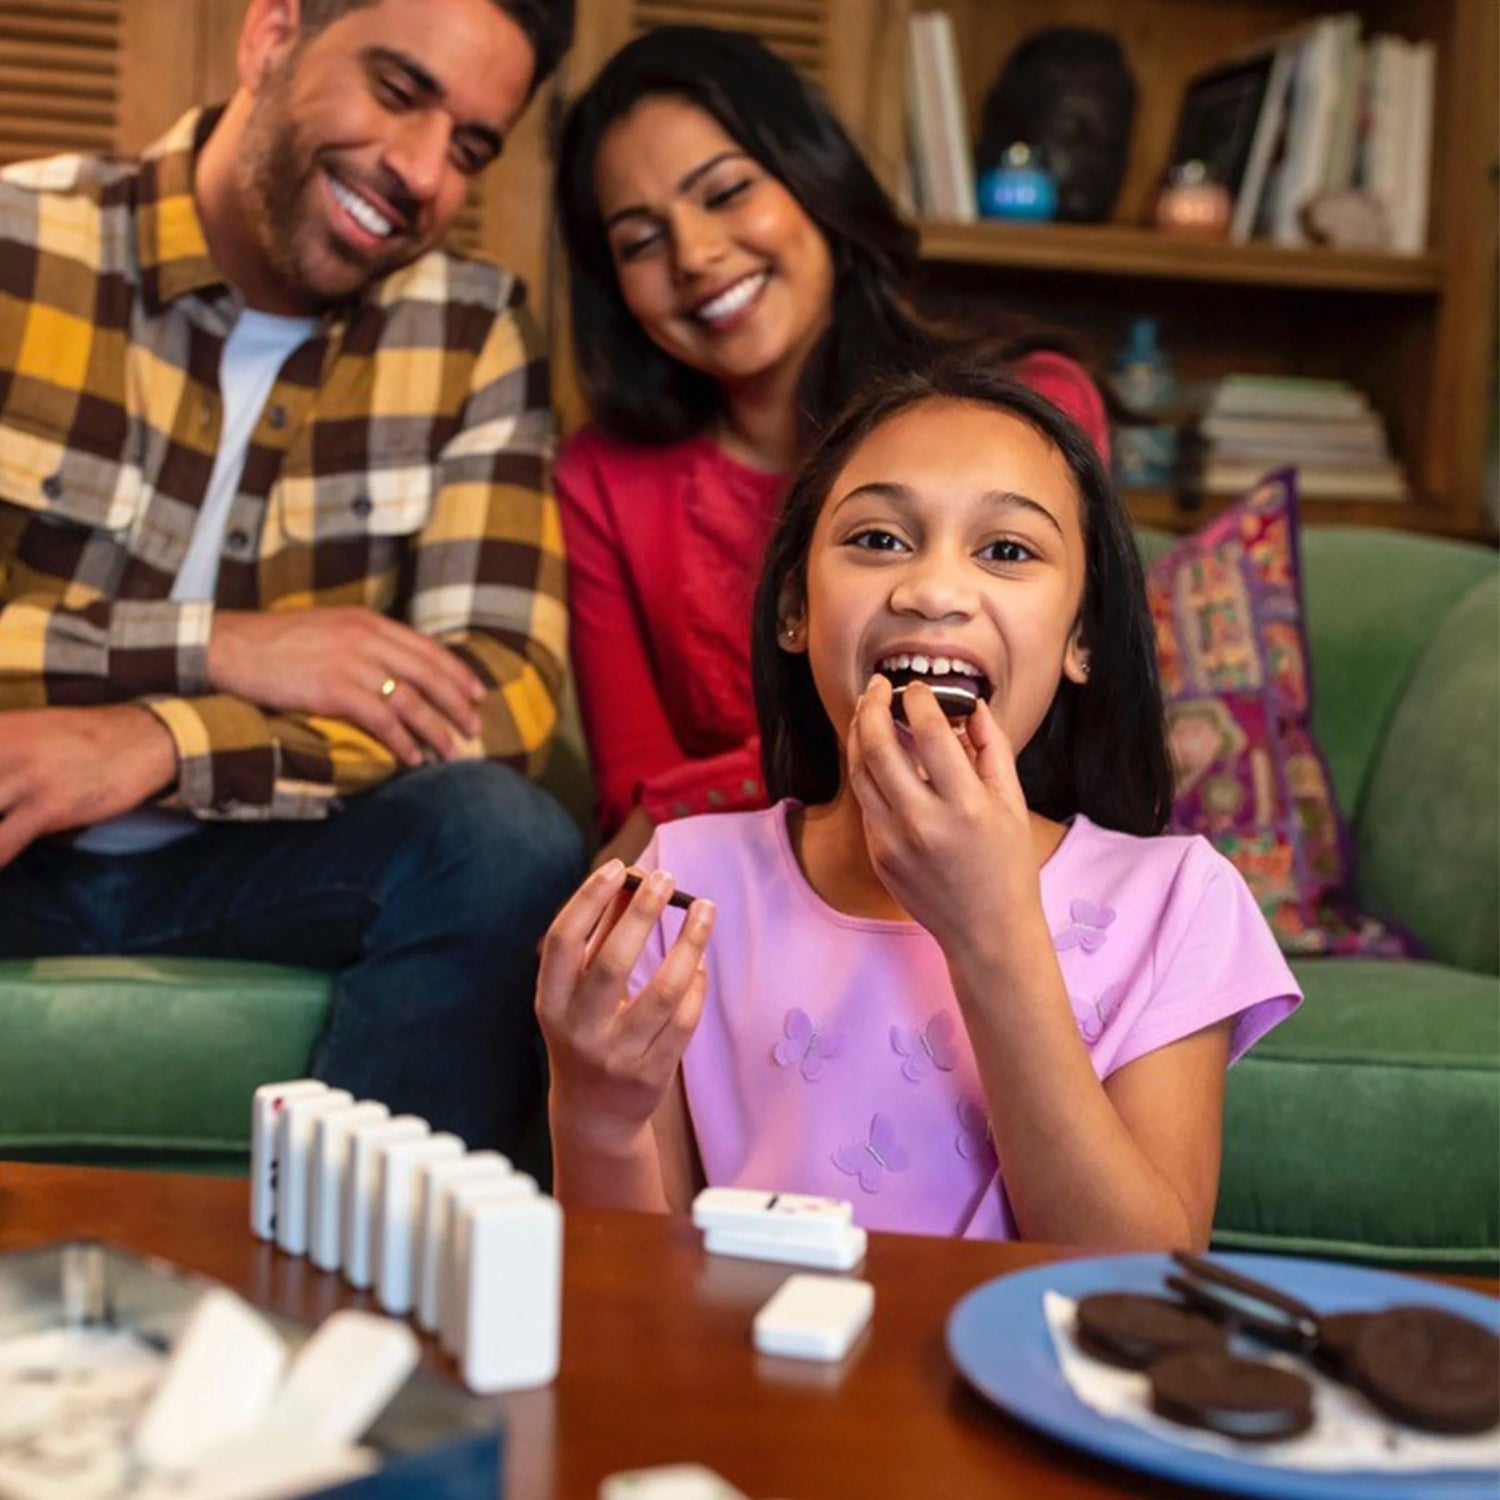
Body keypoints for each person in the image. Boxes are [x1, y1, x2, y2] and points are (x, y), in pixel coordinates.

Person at [536, 348, 1301, 1245]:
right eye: (878, 539)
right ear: (794, 610)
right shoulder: (681, 884)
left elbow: (1138, 1275)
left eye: (1007, 550)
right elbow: (630, 1286)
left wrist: (991, 929)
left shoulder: (1177, 901)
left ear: (1082, 637)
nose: (933, 590)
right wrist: (596, 1111)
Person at [0, 0, 582, 1153]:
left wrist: (162, 739)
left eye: (470, 146)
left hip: (263, 858)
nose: (423, 172)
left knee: (504, 839)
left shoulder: (471, 333)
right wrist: (220, 647)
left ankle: (372, 1254)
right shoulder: (22, 245)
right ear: (271, 36)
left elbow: (501, 688)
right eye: (398, 91)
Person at [553, 25, 1112, 866]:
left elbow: (1030, 727)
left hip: (1004, 863)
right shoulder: (603, 478)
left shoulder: (1028, 411)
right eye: (640, 241)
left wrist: (689, 804)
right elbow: (635, 801)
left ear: (814, 180)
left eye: (726, 192)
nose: (695, 256)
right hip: (739, 889)